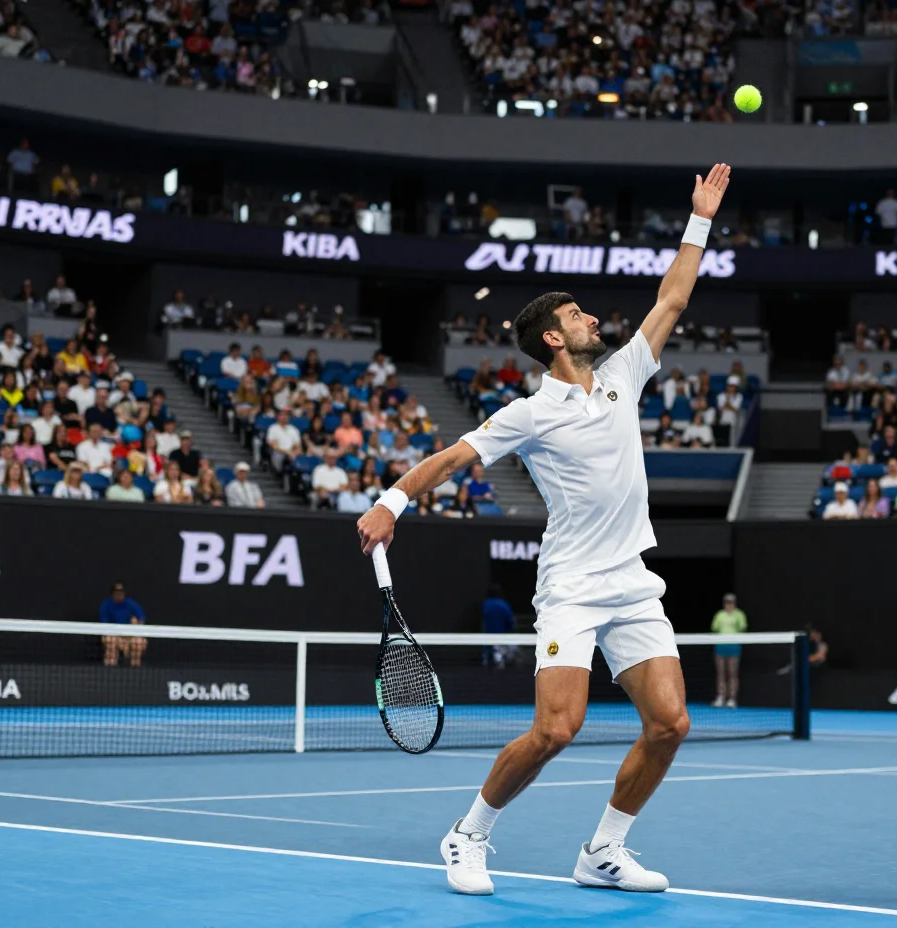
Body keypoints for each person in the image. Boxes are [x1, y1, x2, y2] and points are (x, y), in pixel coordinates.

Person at [354, 164, 732, 897]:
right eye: (581, 316)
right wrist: (391, 503)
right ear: (555, 339)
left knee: (671, 723)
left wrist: (700, 220)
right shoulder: (530, 413)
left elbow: (674, 297)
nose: (595, 320)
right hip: (572, 587)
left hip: (633, 581)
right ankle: (467, 835)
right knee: (557, 730)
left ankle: (603, 851)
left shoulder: (626, 373)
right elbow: (455, 457)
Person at [710, 593, 747, 708]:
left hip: (734, 647)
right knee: (721, 673)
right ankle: (721, 697)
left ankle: (732, 699)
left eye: (731, 602)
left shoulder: (739, 615)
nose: (729, 604)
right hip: (721, 647)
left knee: (732, 673)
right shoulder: (719, 615)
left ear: (734, 603)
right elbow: (714, 628)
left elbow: (743, 627)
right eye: (727, 602)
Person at [98, 582, 148, 667]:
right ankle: (111, 665)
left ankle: (134, 666)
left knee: (139, 643)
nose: (119, 595)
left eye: (121, 593)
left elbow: (141, 620)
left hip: (130, 635)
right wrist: (119, 639)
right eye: (117, 593)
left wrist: (130, 634)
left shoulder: (131, 604)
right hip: (113, 636)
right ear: (112, 594)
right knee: (111, 641)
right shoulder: (106, 605)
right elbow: (105, 627)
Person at [482, 584, 518, 669]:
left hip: (487, 636)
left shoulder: (485, 605)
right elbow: (510, 620)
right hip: (500, 635)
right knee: (499, 659)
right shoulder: (503, 605)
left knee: (488, 658)